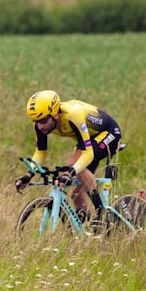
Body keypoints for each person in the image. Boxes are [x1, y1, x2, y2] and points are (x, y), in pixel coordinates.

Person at [15, 90, 122, 219]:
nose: (39, 126)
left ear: (55, 115)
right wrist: (28, 175)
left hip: (109, 132)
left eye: (43, 121)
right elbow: (41, 152)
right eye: (36, 121)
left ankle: (100, 213)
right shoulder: (41, 124)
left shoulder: (73, 115)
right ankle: (86, 228)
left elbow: (87, 154)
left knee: (74, 165)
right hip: (88, 138)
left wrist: (69, 173)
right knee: (75, 194)